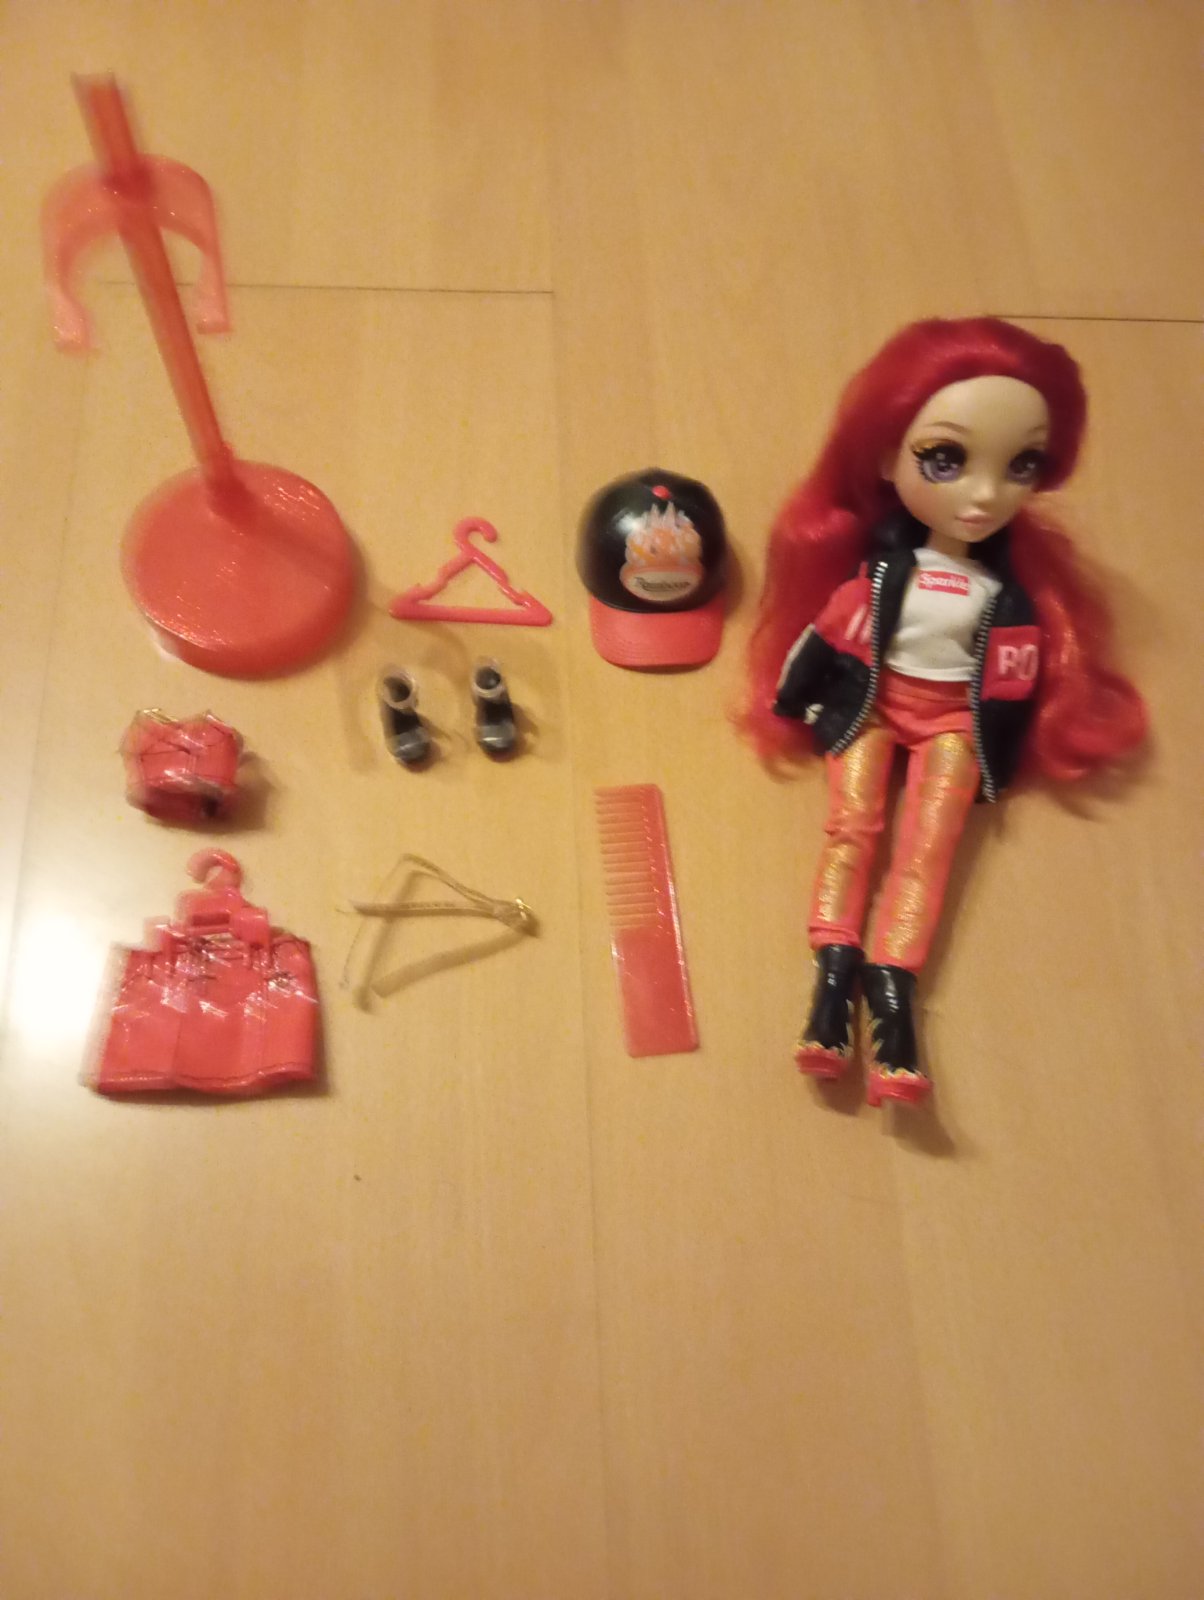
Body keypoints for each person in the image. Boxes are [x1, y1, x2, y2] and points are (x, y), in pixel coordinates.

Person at [741, 317, 1145, 1105]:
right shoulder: (882, 576)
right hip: (872, 706)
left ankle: (894, 995)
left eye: (1021, 464)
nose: (985, 494)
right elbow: (823, 637)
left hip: (954, 723)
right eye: (947, 460)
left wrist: (1002, 750)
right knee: (852, 830)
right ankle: (831, 985)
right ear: (886, 456)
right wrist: (793, 701)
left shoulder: (1009, 598)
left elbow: (1015, 683)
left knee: (930, 850)